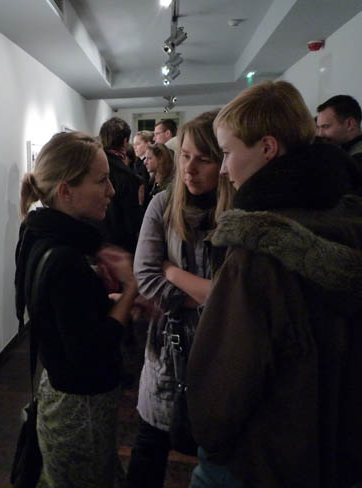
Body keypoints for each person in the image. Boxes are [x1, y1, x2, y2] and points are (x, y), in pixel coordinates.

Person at [187, 81, 362, 487]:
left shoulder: (257, 251)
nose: (223, 169)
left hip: (268, 457)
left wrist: (210, 439)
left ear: (267, 148)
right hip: (352, 451)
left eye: (227, 153)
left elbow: (223, 386)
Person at [15, 131, 139, 487]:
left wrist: (103, 302)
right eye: (101, 181)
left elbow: (62, 317)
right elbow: (94, 349)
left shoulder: (36, 235)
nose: (111, 190)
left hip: (58, 389)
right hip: (79, 405)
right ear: (66, 191)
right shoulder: (66, 258)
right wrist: (130, 290)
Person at [127, 111, 233, 488]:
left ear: (223, 162)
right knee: (150, 442)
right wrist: (205, 296)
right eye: (185, 156)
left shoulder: (237, 214)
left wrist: (172, 272)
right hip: (167, 345)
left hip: (223, 350)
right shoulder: (162, 205)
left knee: (217, 449)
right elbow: (146, 278)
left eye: (203, 159)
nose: (190, 168)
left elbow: (235, 297)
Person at [316, 94, 362, 215]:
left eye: (325, 127)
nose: (319, 134)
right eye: (318, 128)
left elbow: (356, 212)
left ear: (349, 124)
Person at [99, 117, 144, 253]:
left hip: (96, 240)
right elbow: (131, 220)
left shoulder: (92, 167)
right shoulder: (126, 175)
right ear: (125, 141)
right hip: (120, 246)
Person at [133, 130, 155, 207]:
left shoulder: (148, 164)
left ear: (148, 144)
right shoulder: (137, 163)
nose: (135, 147)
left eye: (138, 144)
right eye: (134, 144)